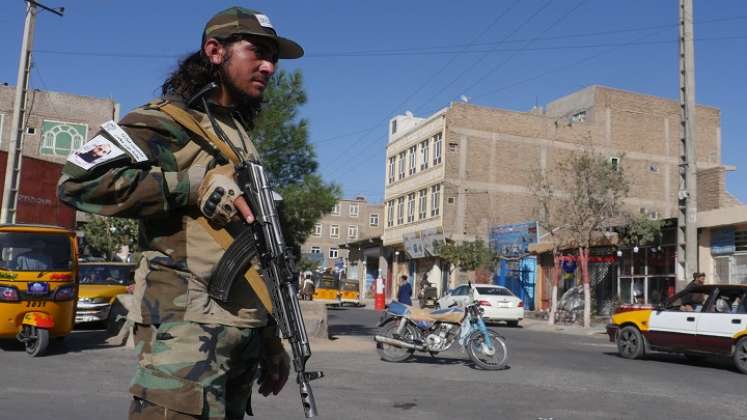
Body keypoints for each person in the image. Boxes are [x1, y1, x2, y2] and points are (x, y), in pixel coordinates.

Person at [58, 7, 303, 419]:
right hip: (186, 330)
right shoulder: (166, 121)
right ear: (215, 51)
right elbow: (76, 181)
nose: (269, 67)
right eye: (257, 52)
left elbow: (259, 250)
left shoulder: (238, 133)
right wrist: (191, 186)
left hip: (242, 332)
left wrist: (272, 339)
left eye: (274, 58)